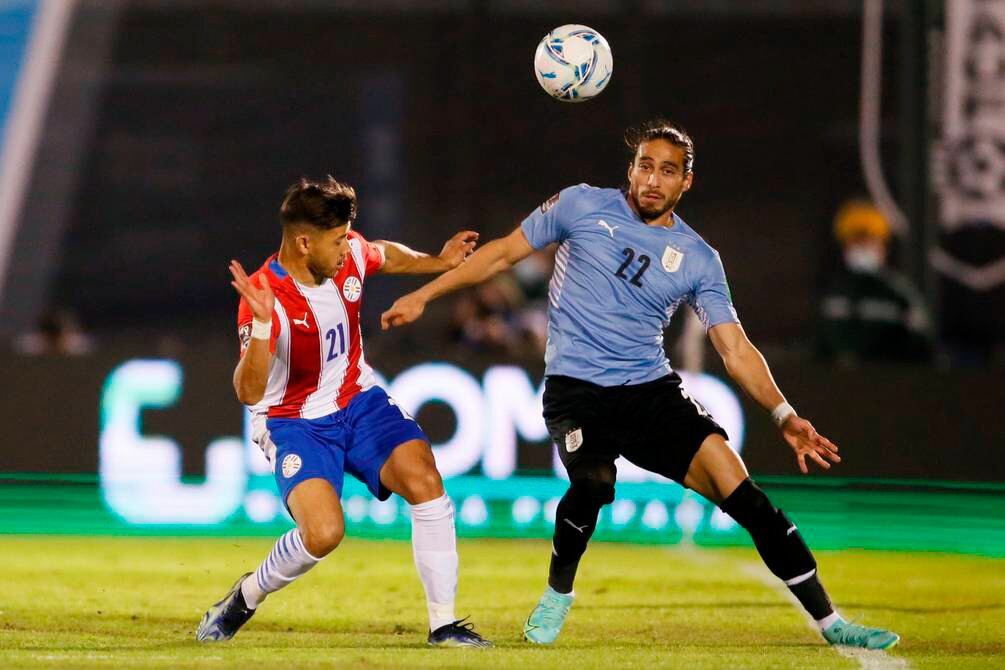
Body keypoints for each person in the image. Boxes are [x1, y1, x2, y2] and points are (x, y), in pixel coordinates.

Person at [381, 120, 900, 650]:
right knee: (593, 485)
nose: (653, 179)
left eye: (667, 171)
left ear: (686, 183)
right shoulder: (580, 205)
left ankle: (831, 622)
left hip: (651, 392)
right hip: (575, 390)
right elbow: (500, 254)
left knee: (747, 498)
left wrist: (784, 415)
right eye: (645, 166)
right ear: (630, 170)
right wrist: (426, 294)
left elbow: (735, 348)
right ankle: (559, 592)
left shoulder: (699, 259)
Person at [196, 176, 491, 648]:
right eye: (335, 241)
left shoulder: (348, 250)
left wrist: (438, 261)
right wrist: (266, 324)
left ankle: (444, 625)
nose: (345, 249)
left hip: (357, 398)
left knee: (425, 481)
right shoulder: (263, 296)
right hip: (294, 422)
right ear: (303, 241)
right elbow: (249, 391)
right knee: (325, 533)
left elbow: (383, 253)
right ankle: (244, 597)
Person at [818, 199, 932, 364]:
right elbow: (820, 348)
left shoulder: (899, 292)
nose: (863, 248)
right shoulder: (831, 291)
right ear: (844, 246)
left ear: (883, 247)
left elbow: (922, 346)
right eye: (856, 241)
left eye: (870, 240)